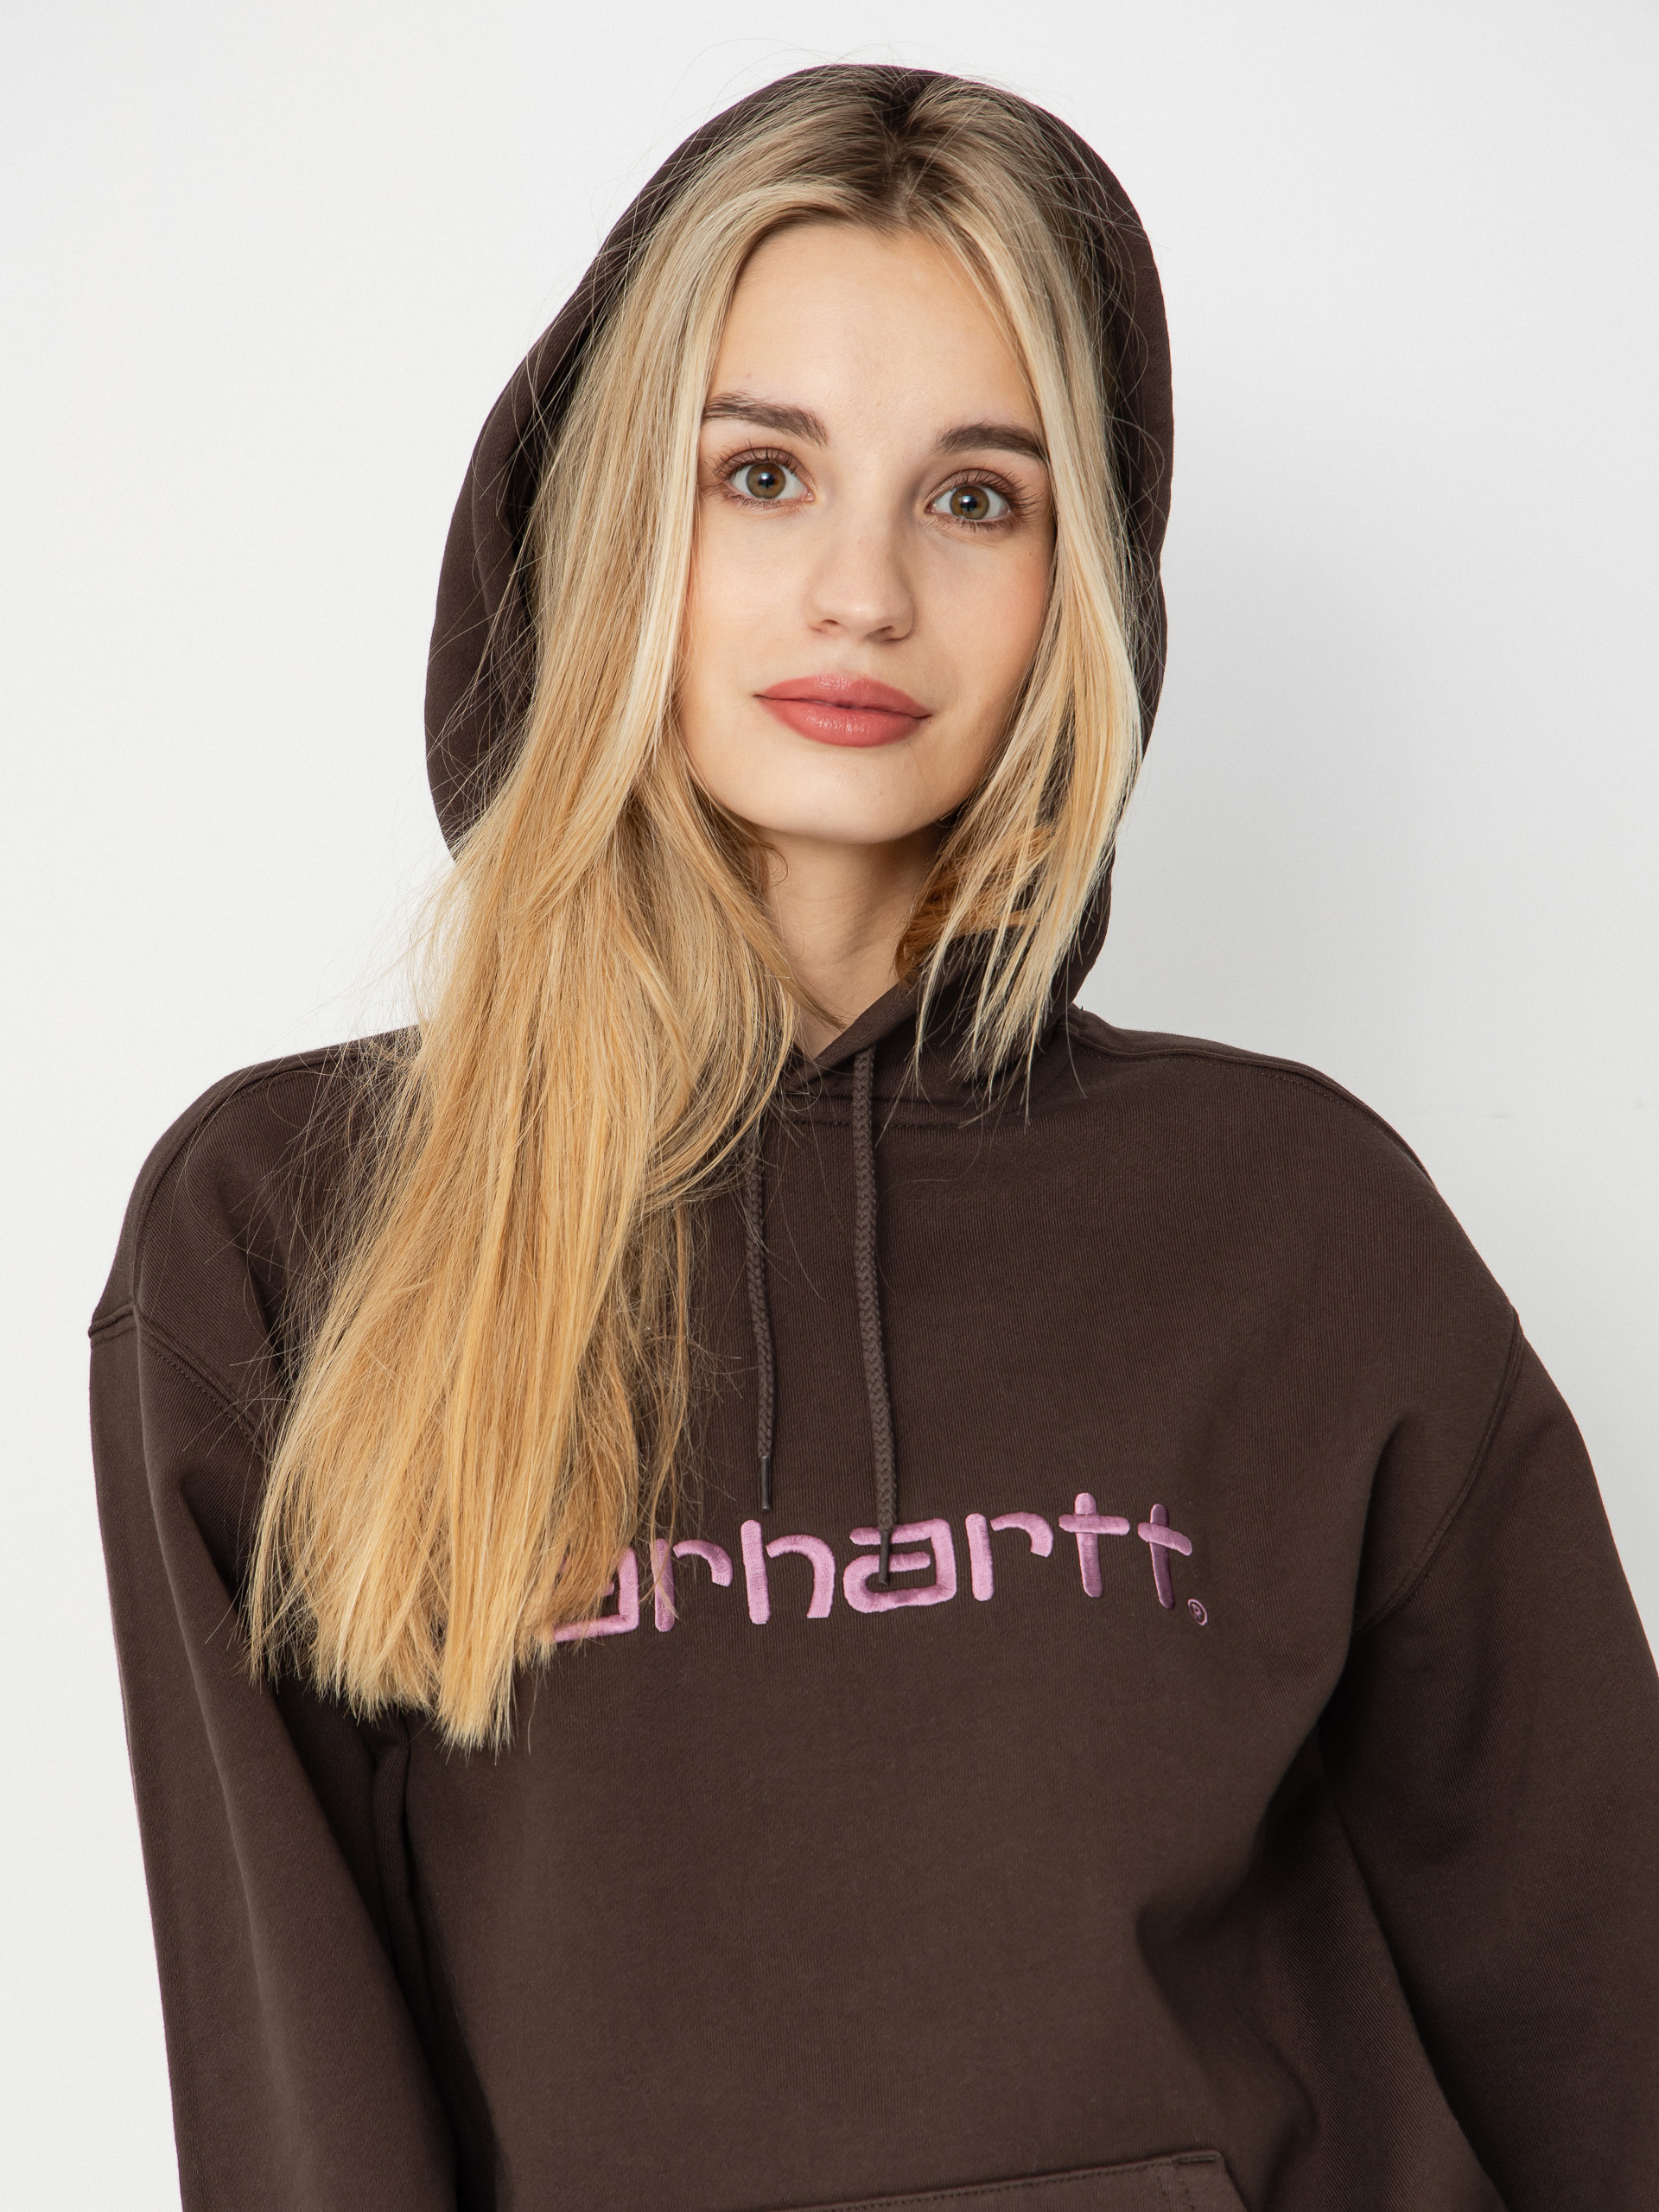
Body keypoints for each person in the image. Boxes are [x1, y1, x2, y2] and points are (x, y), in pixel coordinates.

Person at [90, 64, 1658, 2212]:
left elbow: (1601, 2023)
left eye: (976, 497)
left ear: (1079, 585)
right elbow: (304, 2113)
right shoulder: (293, 1226)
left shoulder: (1303, 1222)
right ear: (611, 522)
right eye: (762, 473)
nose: (862, 591)